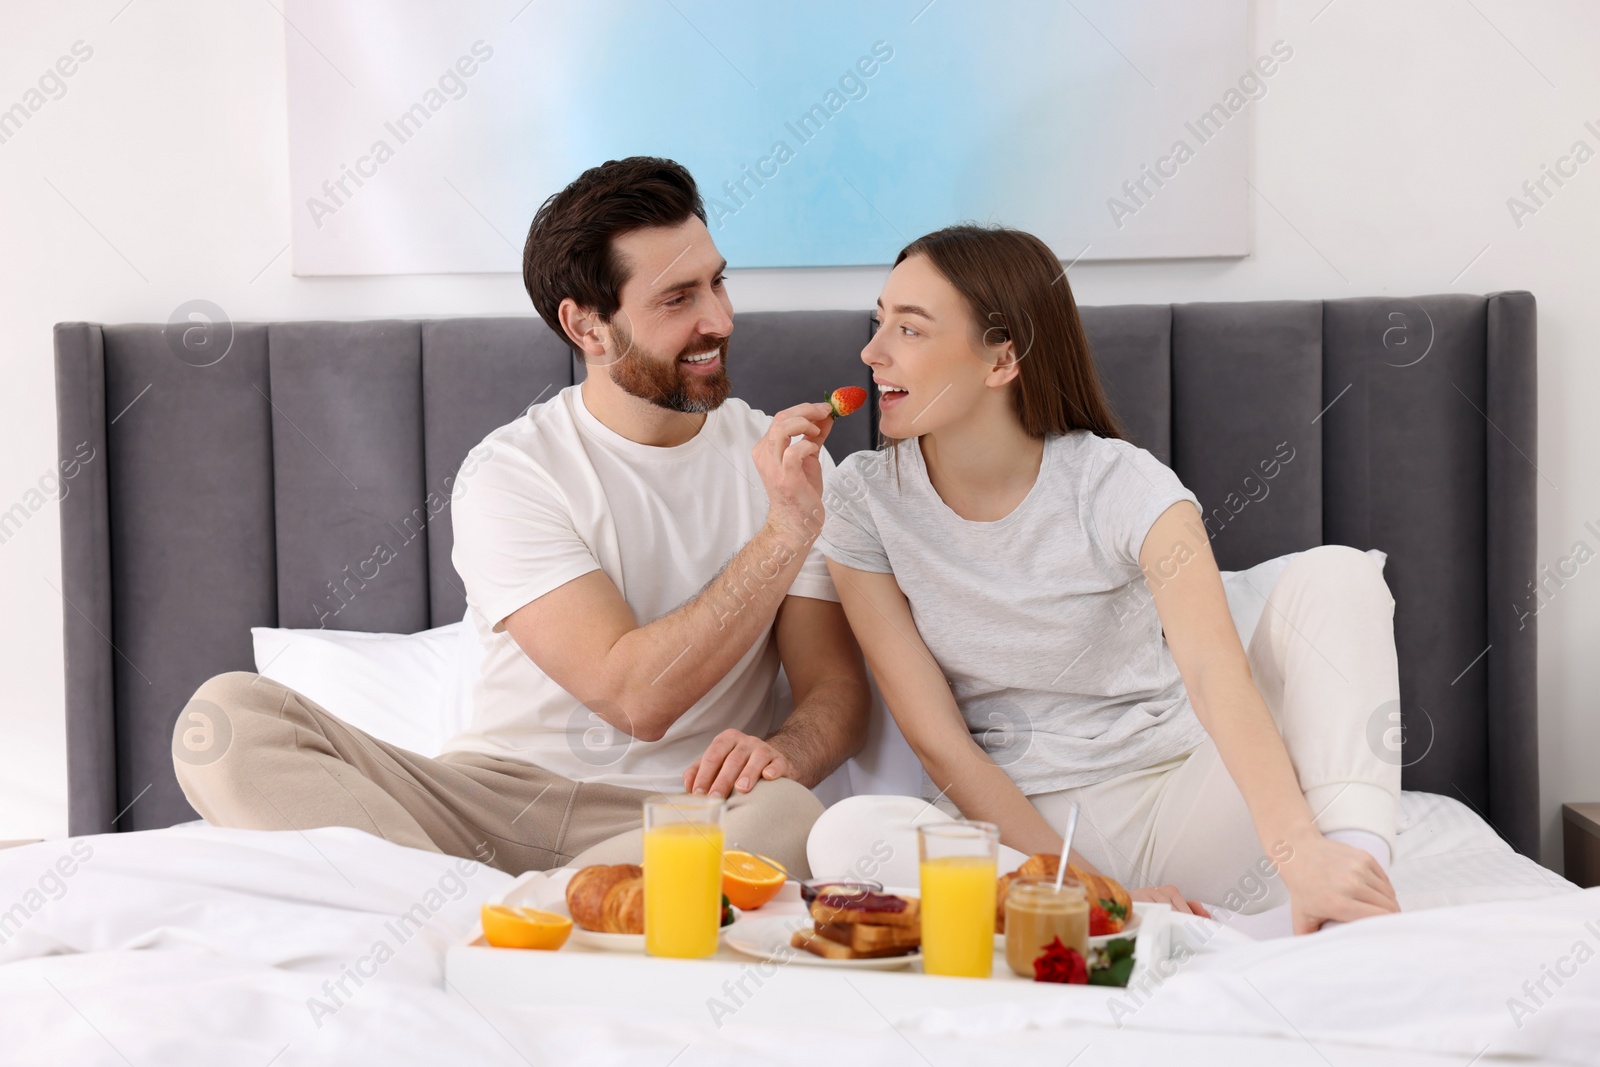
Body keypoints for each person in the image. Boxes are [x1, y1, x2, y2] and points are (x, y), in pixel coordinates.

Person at [172, 157, 870, 878]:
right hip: (489, 804)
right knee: (222, 724)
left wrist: (787, 750)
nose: (718, 320)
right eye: (677, 298)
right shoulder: (513, 473)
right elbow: (637, 698)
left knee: (791, 814)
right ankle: (506, 899)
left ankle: (472, 908)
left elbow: (836, 693)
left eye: (718, 281)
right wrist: (783, 534)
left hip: (683, 814)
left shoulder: (792, 475)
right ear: (587, 326)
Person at [817, 224, 1401, 936]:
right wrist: (1092, 891)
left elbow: (1218, 675)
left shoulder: (1122, 483)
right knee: (844, 837)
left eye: (908, 329)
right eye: (880, 322)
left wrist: (1297, 847)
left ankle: (1349, 893)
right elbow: (939, 740)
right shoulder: (861, 499)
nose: (872, 352)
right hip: (1022, 841)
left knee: (1339, 576)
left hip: (1181, 806)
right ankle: (1112, 916)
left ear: (1002, 359)